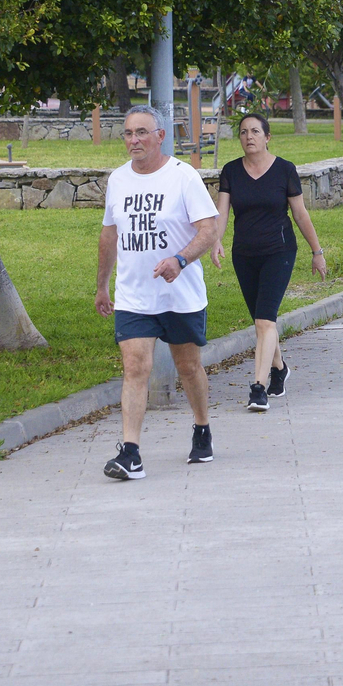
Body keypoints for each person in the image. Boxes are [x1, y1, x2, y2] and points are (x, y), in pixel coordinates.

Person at [95, 105, 221, 480]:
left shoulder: (183, 177)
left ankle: (202, 426)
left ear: (160, 136)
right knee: (135, 367)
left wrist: (180, 261)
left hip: (179, 295)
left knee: (188, 366)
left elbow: (208, 231)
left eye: (141, 133)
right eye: (128, 134)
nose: (134, 141)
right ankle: (130, 453)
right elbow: (109, 234)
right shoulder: (118, 180)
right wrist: (102, 284)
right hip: (134, 295)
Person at [211, 113, 328, 411]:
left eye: (255, 131)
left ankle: (258, 387)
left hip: (279, 251)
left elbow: (300, 214)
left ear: (267, 136)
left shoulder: (284, 170)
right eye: (243, 132)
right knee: (263, 322)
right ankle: (279, 369)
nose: (248, 137)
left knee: (265, 320)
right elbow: (221, 213)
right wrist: (215, 240)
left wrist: (317, 252)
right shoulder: (231, 171)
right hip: (244, 254)